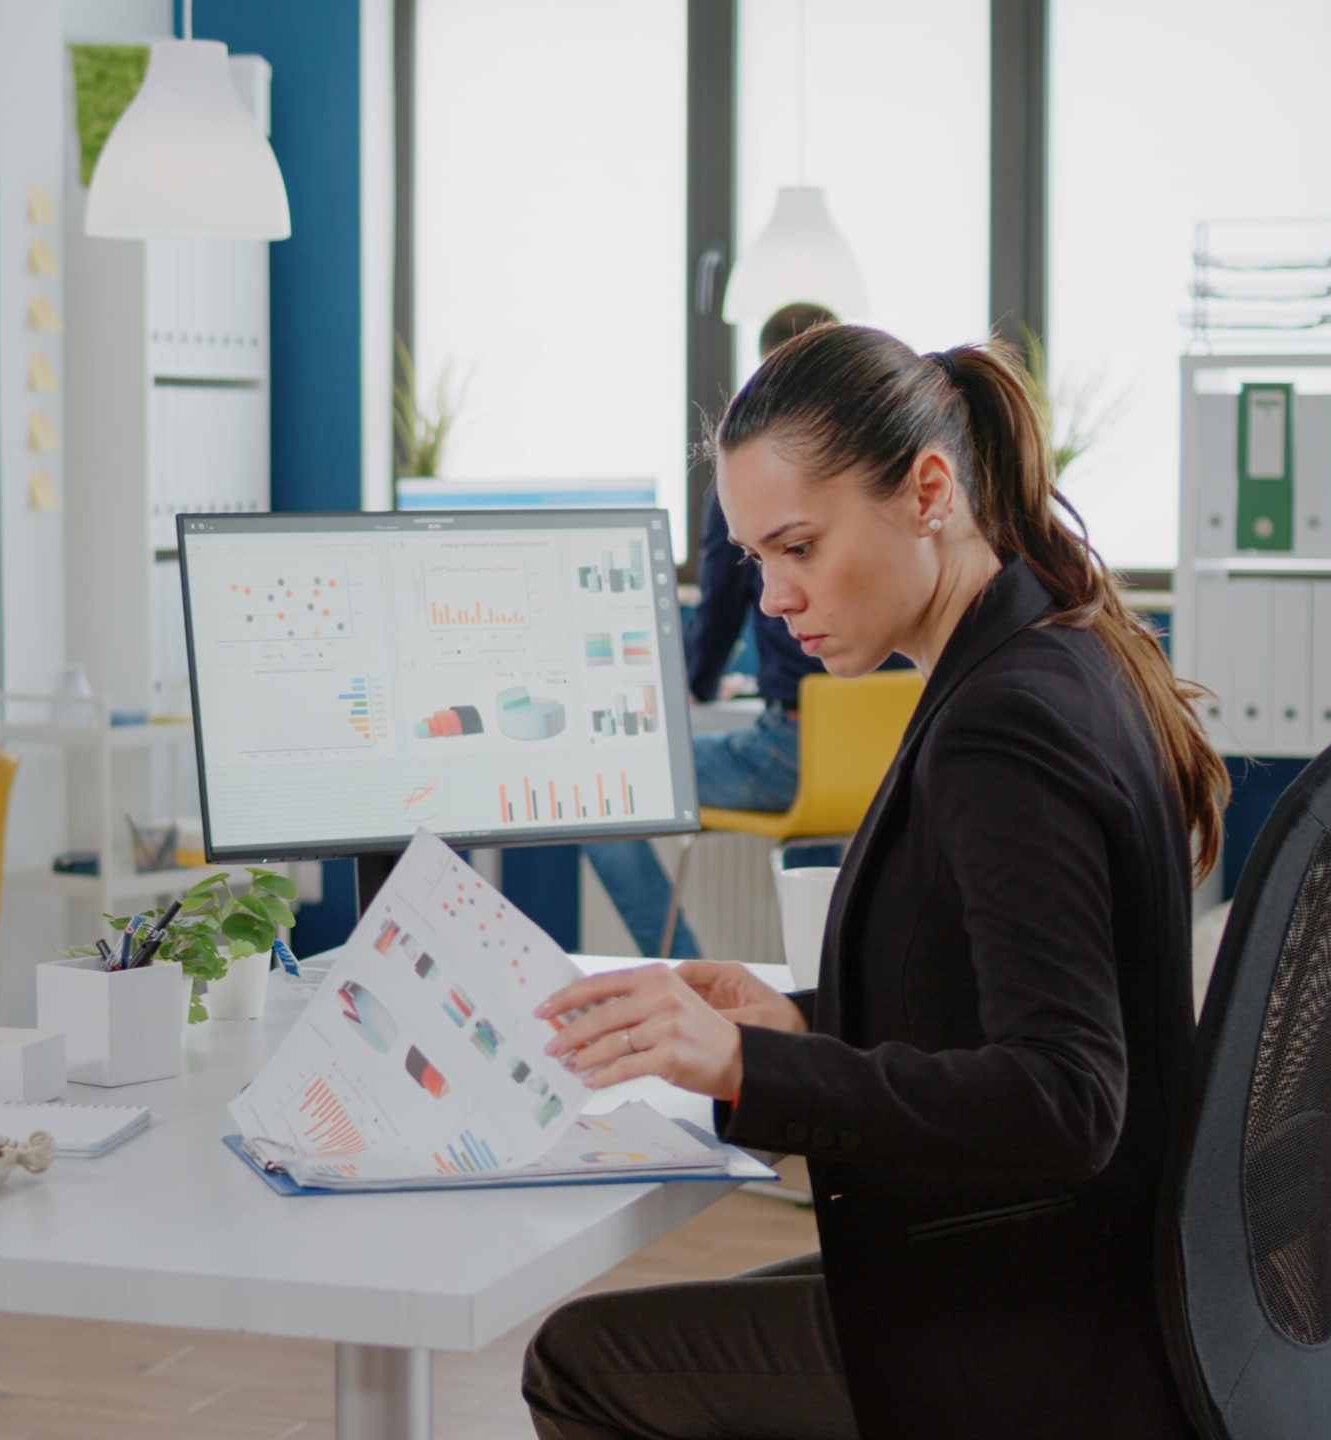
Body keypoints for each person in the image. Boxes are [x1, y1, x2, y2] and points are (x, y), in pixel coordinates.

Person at [519, 325, 1228, 1440]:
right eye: (755, 559)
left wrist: (756, 1067)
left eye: (798, 546)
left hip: (1038, 1328)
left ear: (929, 491)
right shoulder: (1043, 649)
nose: (771, 597)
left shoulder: (1002, 725)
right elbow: (980, 1007)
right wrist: (796, 1028)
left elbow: (1065, 1098)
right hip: (1065, 1271)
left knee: (580, 1363)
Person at [582, 301, 896, 959]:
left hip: (795, 750)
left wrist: (696, 682)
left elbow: (722, 603)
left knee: (599, 789)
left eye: (799, 548)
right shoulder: (876, 474)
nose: (780, 593)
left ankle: (685, 970)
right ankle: (823, 983)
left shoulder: (755, 482)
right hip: (888, 755)